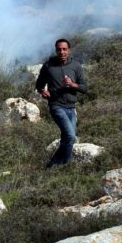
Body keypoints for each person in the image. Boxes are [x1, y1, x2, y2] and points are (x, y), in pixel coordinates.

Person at [36, 38, 88, 168]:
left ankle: (55, 166)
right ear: (56, 50)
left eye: (64, 49)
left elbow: (84, 88)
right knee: (71, 136)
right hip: (56, 105)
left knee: (67, 138)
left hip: (71, 107)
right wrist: (42, 91)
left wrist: (72, 84)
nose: (62, 52)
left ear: (69, 50)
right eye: (59, 49)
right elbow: (39, 84)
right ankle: (60, 164)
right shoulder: (48, 66)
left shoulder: (76, 66)